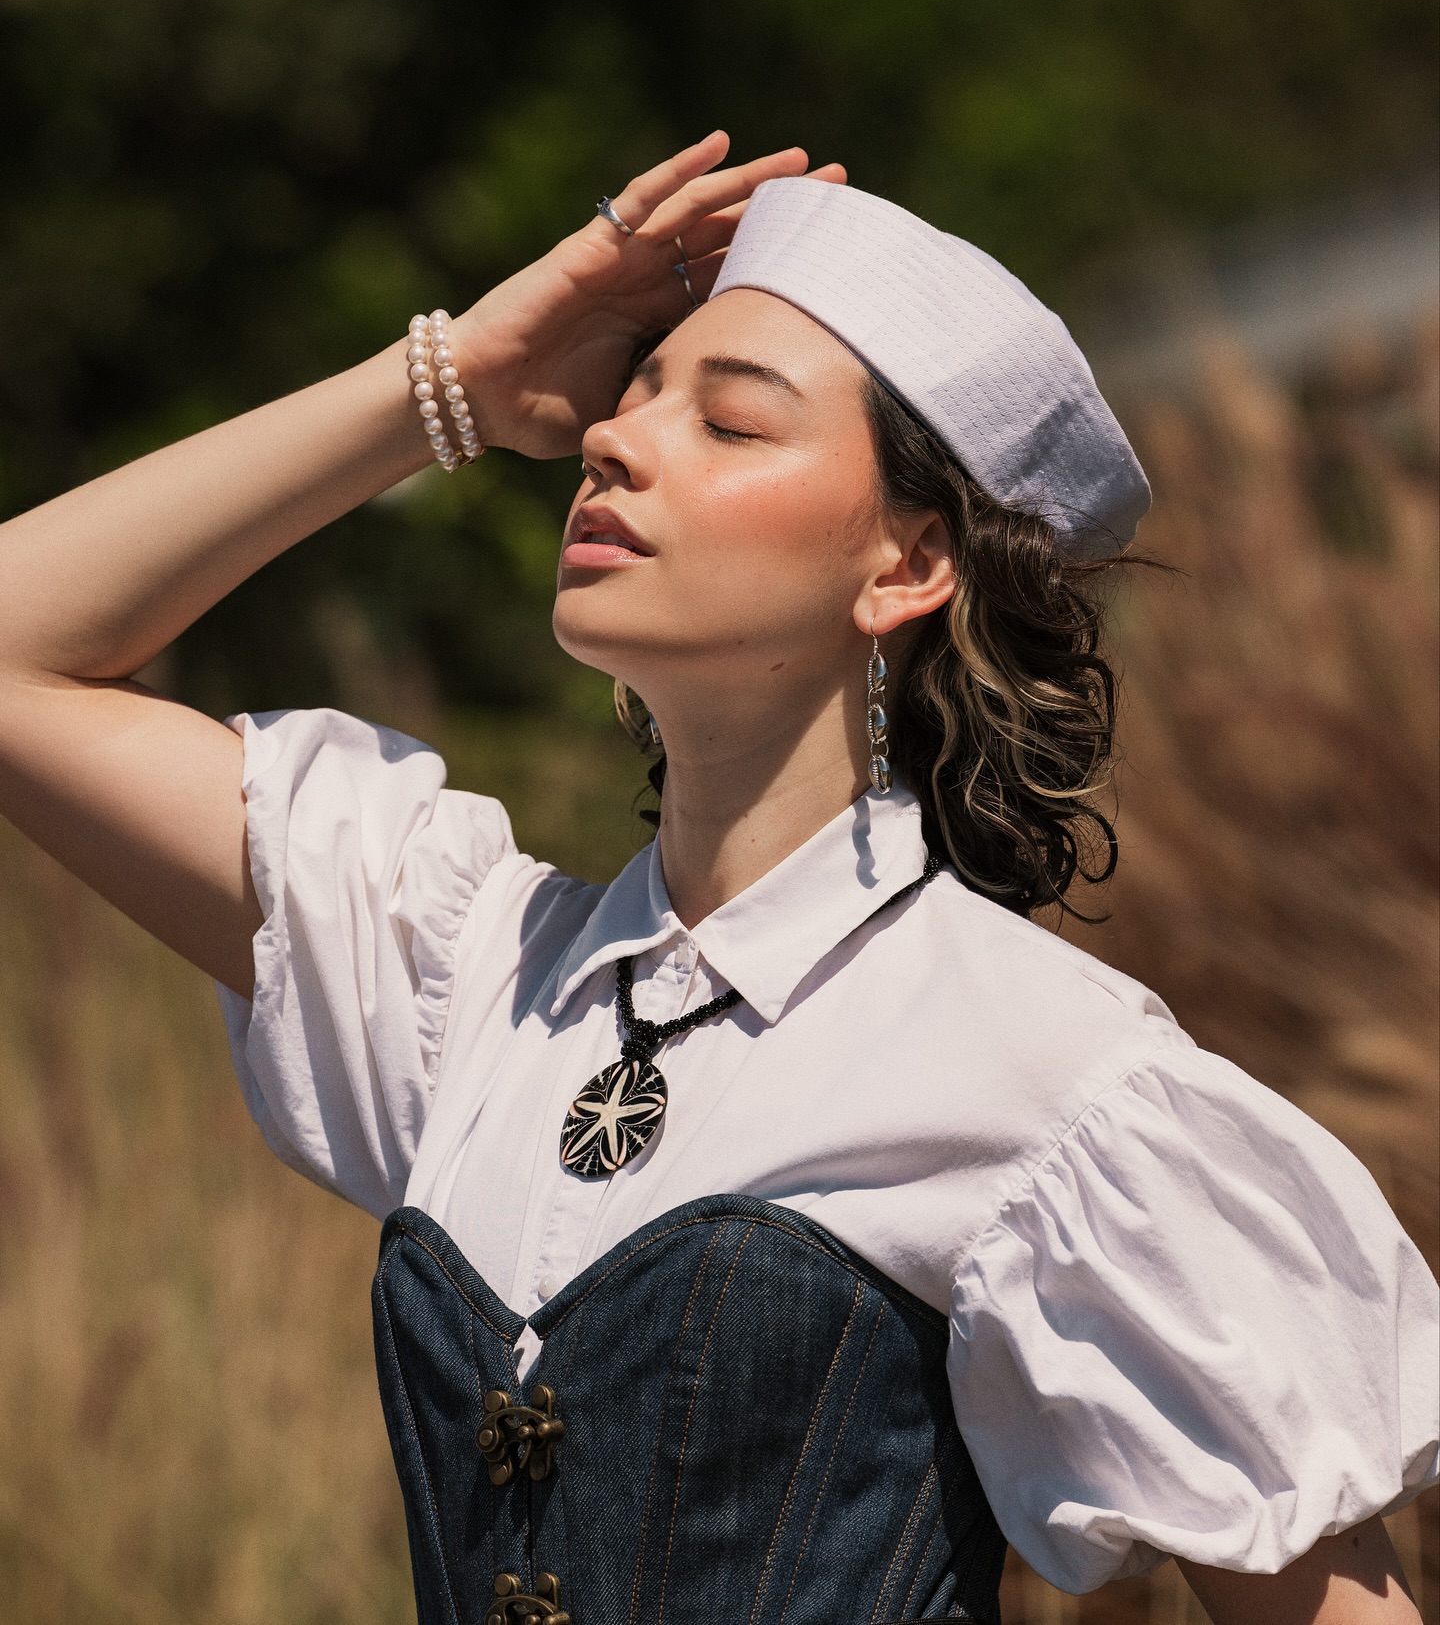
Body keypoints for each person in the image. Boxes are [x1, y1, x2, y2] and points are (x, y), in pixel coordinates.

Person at [0, 133, 1433, 1625]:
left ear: (906, 565)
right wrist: (452, 386)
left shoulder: (1052, 1077)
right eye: (629, 402)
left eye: (731, 426)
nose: (618, 444)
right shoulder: (466, 975)